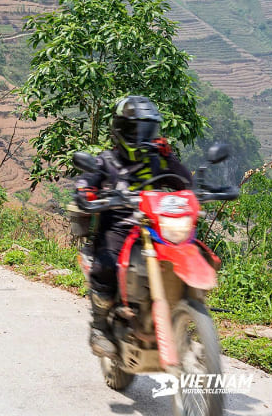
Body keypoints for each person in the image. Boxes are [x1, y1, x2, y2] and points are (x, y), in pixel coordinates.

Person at [74, 95, 192, 359]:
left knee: (193, 252)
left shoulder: (157, 160)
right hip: (118, 227)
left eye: (147, 130)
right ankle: (100, 327)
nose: (142, 137)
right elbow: (86, 180)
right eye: (135, 130)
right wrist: (85, 192)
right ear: (119, 130)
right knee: (106, 265)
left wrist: (169, 157)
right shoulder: (106, 161)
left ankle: (189, 313)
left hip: (156, 228)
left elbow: (184, 184)